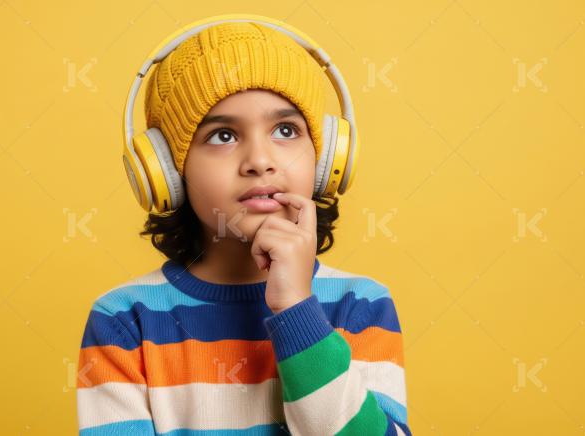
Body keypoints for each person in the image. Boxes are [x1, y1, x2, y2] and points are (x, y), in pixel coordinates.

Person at [77, 19, 411, 436]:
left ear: (325, 160)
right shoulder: (124, 322)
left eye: (286, 130)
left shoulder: (361, 306)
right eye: (222, 136)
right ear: (166, 172)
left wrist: (297, 310)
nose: (260, 159)